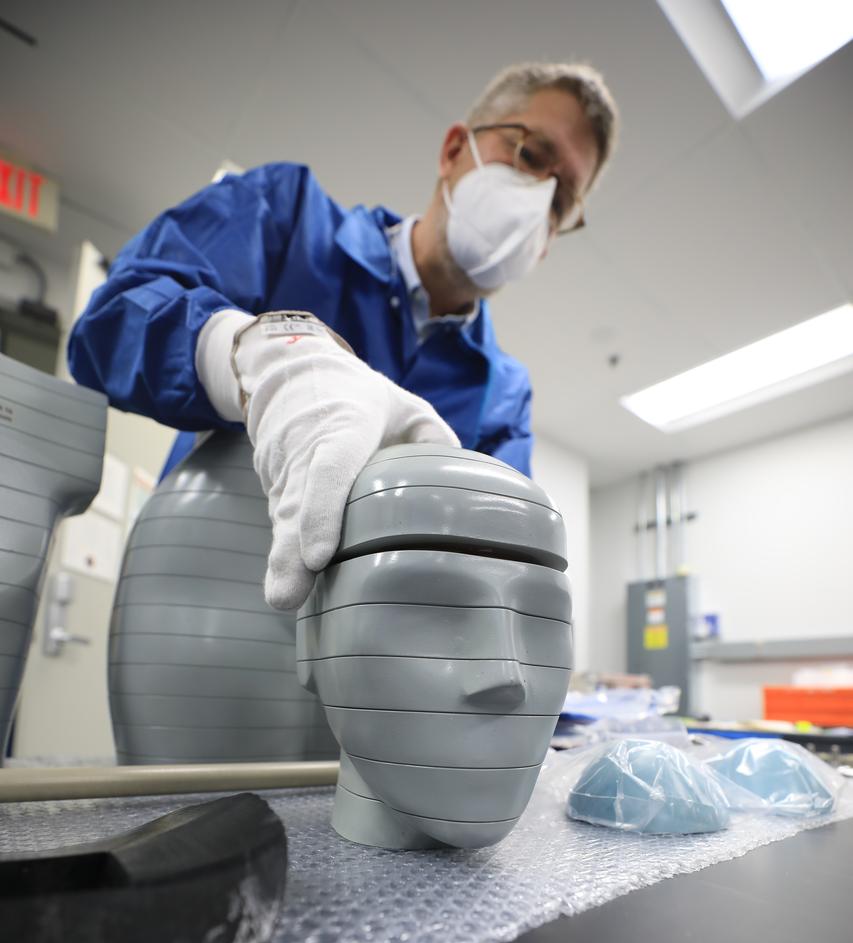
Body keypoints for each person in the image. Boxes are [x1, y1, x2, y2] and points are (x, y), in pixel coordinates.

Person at [68, 61, 618, 610]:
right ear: (455, 150)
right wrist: (255, 357)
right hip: (192, 609)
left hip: (373, 654)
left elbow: (496, 565)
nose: (536, 203)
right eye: (529, 155)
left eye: (561, 202)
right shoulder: (286, 218)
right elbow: (110, 322)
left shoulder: (503, 395)